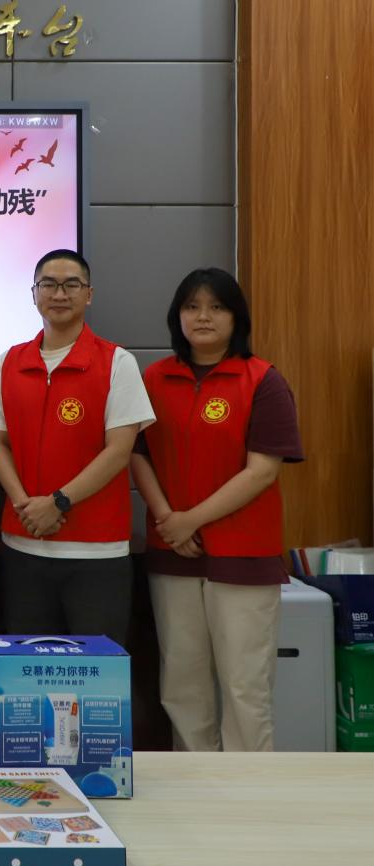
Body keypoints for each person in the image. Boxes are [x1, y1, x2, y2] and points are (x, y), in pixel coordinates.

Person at [130, 268, 303, 751]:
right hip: (173, 552)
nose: (203, 316)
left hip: (242, 554)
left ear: (236, 317)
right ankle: (196, 787)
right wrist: (169, 520)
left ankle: (247, 791)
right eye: (192, 306)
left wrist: (190, 519)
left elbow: (262, 471)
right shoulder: (154, 378)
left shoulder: (262, 379)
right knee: (182, 686)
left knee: (246, 687)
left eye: (216, 307)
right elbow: (137, 454)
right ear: (177, 316)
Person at [0, 249, 154, 646]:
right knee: (29, 668)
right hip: (24, 544)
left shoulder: (117, 362)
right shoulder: (9, 362)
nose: (59, 294)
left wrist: (57, 502)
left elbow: (119, 450)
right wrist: (25, 505)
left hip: (97, 550)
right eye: (48, 284)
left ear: (88, 294)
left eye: (71, 284)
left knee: (96, 672)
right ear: (34, 293)